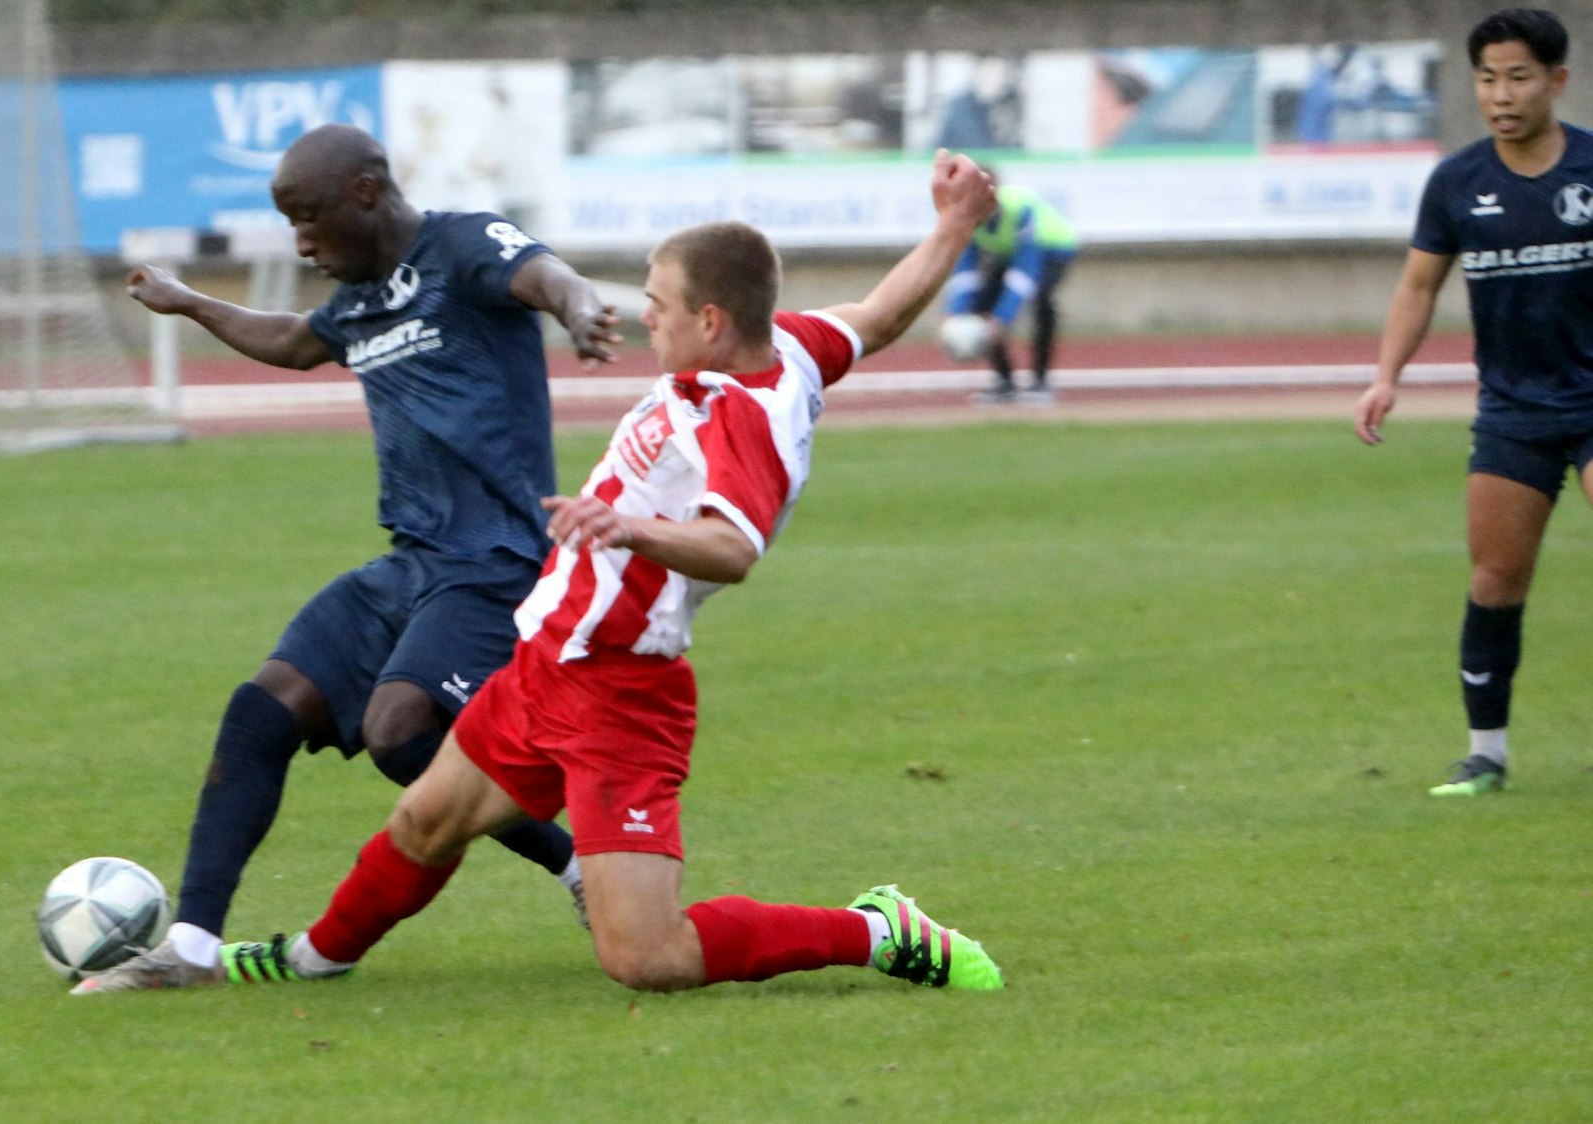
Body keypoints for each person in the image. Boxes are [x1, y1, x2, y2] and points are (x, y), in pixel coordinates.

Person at [76, 148, 1005, 997]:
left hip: (619, 689)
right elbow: (877, 318)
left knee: (646, 959)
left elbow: (734, 549)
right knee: (423, 824)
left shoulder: (738, 417)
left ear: (710, 322)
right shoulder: (792, 344)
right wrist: (953, 226)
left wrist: (627, 525)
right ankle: (305, 960)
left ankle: (875, 929)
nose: (645, 317)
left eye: (658, 304)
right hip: (546, 655)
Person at [84, 123, 624, 989]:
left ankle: (578, 867)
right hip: (410, 565)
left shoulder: (460, 245)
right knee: (262, 710)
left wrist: (576, 307)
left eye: (307, 216)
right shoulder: (360, 301)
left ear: (365, 192)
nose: (300, 240)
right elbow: (294, 340)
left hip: (496, 563)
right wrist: (190, 303)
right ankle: (188, 949)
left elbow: (544, 273)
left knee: (399, 730)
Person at [1354, 8, 1593, 797]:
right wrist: (1386, 375)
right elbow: (1417, 286)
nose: (1501, 93)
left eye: (1518, 76)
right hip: (1512, 414)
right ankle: (1484, 753)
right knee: (1495, 579)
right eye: (1487, 77)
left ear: (1555, 80)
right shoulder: (1458, 182)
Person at [943, 179, 1079, 407]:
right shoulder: (966, 216)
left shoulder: (1019, 212)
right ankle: (1005, 381)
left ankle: (1040, 381)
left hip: (1053, 251)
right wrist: (955, 311)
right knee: (980, 306)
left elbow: (1025, 272)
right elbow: (965, 270)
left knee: (1042, 303)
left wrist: (1001, 318)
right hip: (1009, 254)